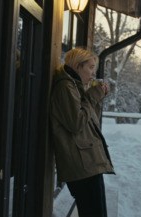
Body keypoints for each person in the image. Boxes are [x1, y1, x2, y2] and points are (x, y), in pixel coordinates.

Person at [50, 48, 114, 217]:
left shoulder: (76, 87)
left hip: (87, 163)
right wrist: (92, 96)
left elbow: (90, 123)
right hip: (81, 165)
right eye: (91, 67)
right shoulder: (65, 87)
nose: (93, 73)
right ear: (78, 66)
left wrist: (98, 97)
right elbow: (76, 123)